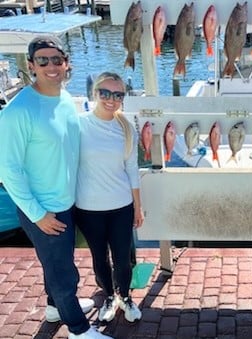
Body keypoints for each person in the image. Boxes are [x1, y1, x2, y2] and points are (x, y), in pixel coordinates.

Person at [0, 35, 112, 339]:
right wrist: (37, 214)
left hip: (67, 201)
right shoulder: (17, 111)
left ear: (66, 63)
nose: (51, 66)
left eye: (57, 60)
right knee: (63, 272)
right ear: (30, 65)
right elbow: (7, 170)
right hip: (44, 209)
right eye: (43, 61)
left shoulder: (63, 97)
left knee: (57, 264)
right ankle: (78, 329)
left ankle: (55, 308)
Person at [75, 72, 144, 323]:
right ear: (94, 94)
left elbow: (132, 169)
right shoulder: (78, 124)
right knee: (99, 258)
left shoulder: (126, 127)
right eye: (104, 93)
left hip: (121, 206)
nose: (111, 99)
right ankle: (107, 296)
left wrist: (138, 207)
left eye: (118, 94)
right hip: (87, 207)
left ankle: (125, 297)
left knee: (123, 258)